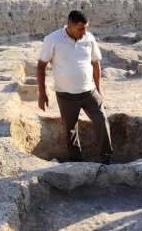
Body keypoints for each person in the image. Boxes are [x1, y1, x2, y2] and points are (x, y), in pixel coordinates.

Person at [36, 10, 113, 164]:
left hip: (89, 91)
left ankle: (106, 157)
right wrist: (42, 94)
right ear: (70, 26)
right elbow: (40, 66)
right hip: (65, 94)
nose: (84, 32)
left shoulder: (89, 38)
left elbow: (96, 63)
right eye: (80, 29)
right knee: (70, 128)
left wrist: (99, 88)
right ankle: (75, 161)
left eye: (86, 28)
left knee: (101, 119)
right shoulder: (52, 39)